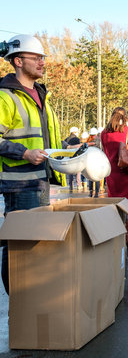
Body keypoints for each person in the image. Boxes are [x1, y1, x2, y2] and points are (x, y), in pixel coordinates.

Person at [0, 34, 65, 294]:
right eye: (36, 57)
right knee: (19, 245)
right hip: (20, 183)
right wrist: (24, 153)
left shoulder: (41, 96)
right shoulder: (6, 97)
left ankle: (31, 300)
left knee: (34, 243)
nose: (42, 62)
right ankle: (20, 302)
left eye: (43, 58)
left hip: (40, 180)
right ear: (18, 61)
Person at [101, 107, 128, 205]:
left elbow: (105, 150)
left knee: (116, 207)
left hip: (112, 174)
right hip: (127, 172)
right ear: (125, 118)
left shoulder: (104, 133)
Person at [65, 126, 81, 191]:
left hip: (68, 157)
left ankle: (70, 185)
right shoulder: (77, 139)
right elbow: (79, 148)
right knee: (78, 171)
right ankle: (78, 185)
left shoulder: (66, 139)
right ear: (74, 132)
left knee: (70, 172)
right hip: (76, 156)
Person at [87, 127, 101, 197]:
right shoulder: (99, 140)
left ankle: (90, 192)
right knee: (97, 177)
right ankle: (96, 193)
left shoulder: (88, 140)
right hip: (98, 160)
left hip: (90, 160)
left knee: (90, 177)